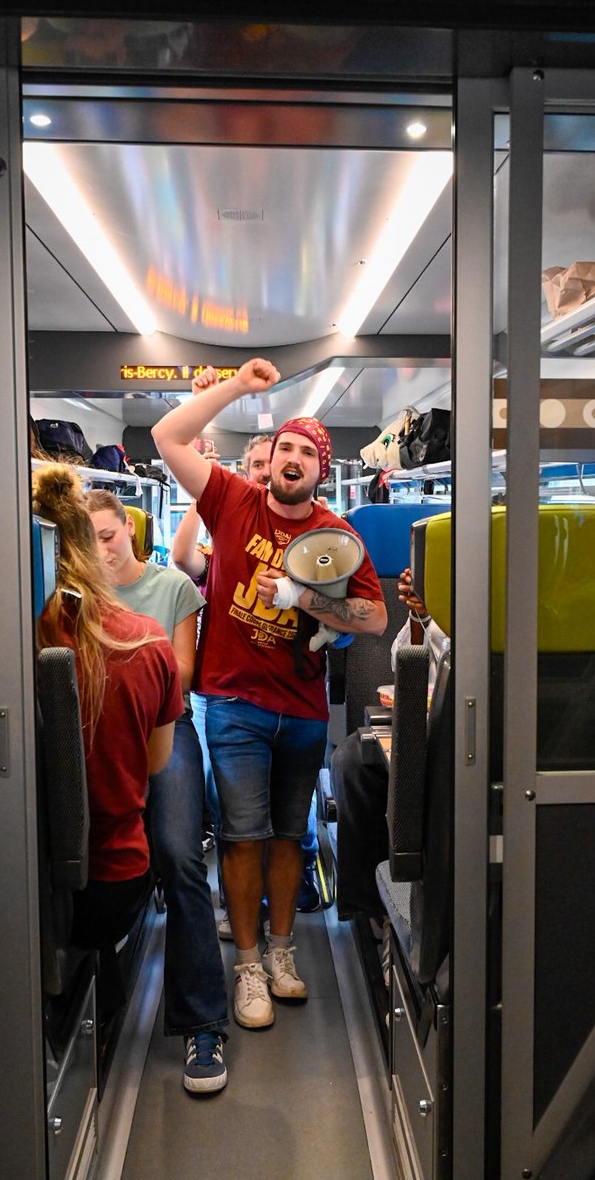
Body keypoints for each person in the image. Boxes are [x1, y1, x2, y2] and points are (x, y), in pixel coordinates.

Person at [151, 358, 387, 1030]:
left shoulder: (336, 534)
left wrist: (306, 598)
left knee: (290, 836)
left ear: (320, 469)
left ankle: (284, 954)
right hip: (233, 705)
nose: (290, 458)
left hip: (303, 709)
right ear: (270, 458)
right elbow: (168, 438)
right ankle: (248, 966)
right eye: (283, 446)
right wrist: (237, 390)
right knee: (241, 837)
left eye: (305, 452)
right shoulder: (231, 498)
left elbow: (372, 618)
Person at [84, 488, 230, 1094]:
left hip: (165, 725)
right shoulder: (72, 593)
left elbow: (184, 673)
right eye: (86, 539)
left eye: (109, 536)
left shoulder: (171, 589)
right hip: (94, 729)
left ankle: (202, 1020)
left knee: (178, 854)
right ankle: (97, 999)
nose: (101, 550)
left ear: (131, 532)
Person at [31, 463, 183, 1031]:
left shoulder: (7, 638)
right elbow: (156, 763)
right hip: (112, 880)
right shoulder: (146, 640)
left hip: (21, 879)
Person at [172, 432, 323, 933]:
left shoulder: (318, 535)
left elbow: (349, 620)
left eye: (270, 461)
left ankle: (281, 908)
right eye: (257, 463)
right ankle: (243, 925)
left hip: (296, 700)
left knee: (285, 829)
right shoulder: (232, 527)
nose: (265, 470)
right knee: (241, 826)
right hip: (235, 697)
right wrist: (203, 498)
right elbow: (183, 558)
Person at [330, 567, 447, 922]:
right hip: (422, 723)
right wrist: (420, 616)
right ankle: (370, 908)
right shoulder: (439, 607)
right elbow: (403, 664)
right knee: (351, 761)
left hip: (464, 730)